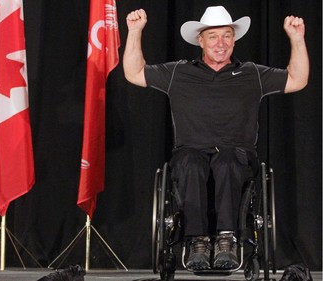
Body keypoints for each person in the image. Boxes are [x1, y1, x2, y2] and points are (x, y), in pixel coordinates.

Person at [123, 6, 309, 270]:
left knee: (227, 162)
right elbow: (133, 73)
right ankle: (197, 241)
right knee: (190, 162)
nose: (220, 43)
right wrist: (134, 31)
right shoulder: (179, 72)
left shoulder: (251, 73)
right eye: (213, 37)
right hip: (190, 152)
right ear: (201, 41)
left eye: (227, 36)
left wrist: (297, 38)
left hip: (238, 155)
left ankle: (226, 240)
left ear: (234, 40)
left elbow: (298, 79)